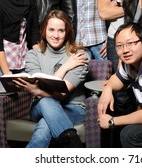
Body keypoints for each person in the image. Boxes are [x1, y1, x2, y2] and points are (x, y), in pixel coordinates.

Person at [13, 10, 89, 148]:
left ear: (67, 32)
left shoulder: (79, 56)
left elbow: (61, 94)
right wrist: (65, 67)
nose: (55, 35)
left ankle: (70, 140)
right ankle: (74, 146)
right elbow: (43, 86)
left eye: (61, 30)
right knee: (46, 102)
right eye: (51, 30)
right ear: (44, 30)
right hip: (40, 107)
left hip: (74, 108)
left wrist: (37, 91)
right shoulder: (33, 55)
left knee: (44, 127)